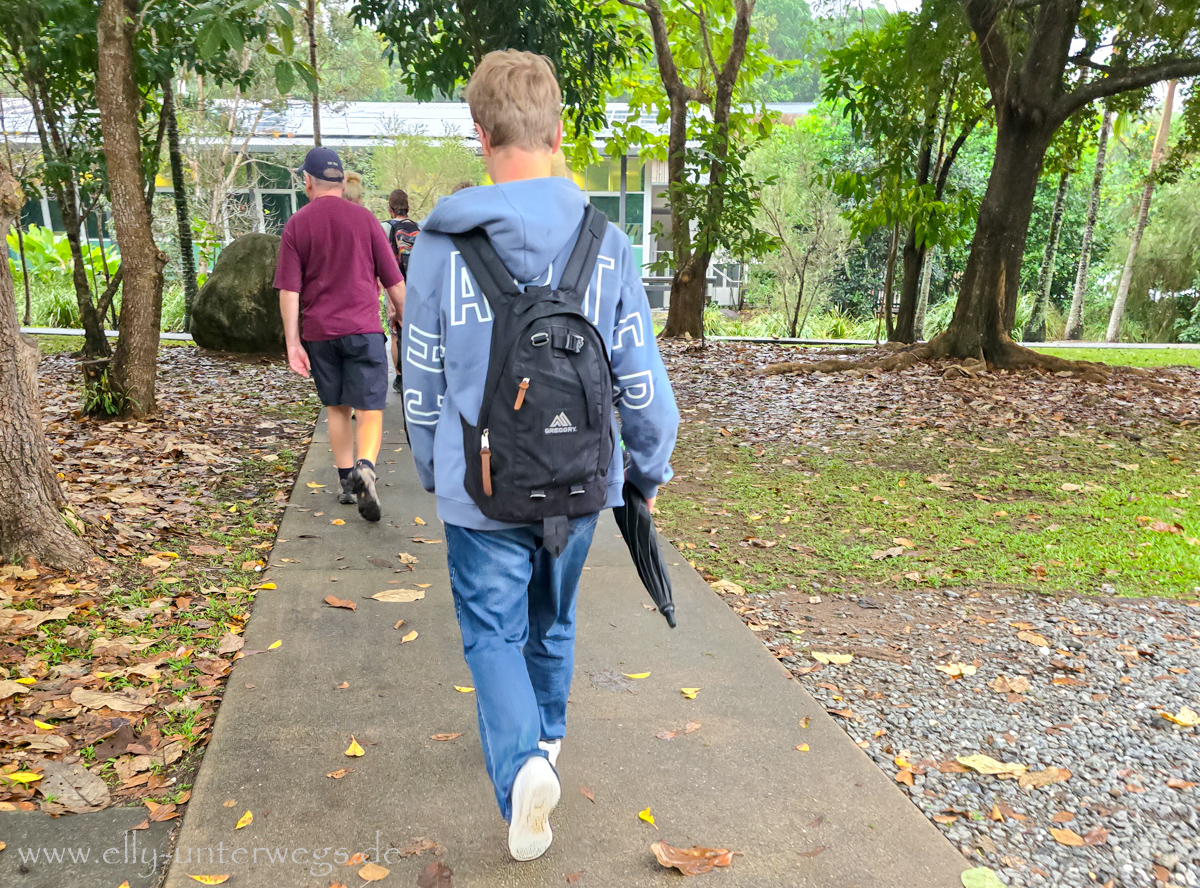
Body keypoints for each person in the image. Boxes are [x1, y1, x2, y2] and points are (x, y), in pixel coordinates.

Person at [402, 51, 677, 861]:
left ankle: (523, 767)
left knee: (491, 630)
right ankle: (546, 748)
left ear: (480, 135)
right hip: (582, 479)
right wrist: (647, 471)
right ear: (557, 134)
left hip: (478, 486)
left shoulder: (440, 250)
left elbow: (420, 381)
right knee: (552, 619)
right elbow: (639, 379)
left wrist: (432, 468)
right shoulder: (608, 244)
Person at [276, 146, 406, 521]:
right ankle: (366, 467)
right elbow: (394, 282)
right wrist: (409, 323)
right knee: (370, 408)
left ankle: (347, 482)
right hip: (363, 328)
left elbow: (290, 291)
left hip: (320, 333)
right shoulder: (365, 220)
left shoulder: (297, 224)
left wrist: (293, 343)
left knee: (337, 407)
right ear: (341, 178)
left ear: (307, 181)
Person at [385, 188, 420, 393]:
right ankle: (415, 373)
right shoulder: (419, 228)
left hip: (395, 285)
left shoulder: (386, 228)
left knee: (395, 333)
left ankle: (400, 377)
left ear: (390, 208)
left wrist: (389, 298)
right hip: (416, 287)